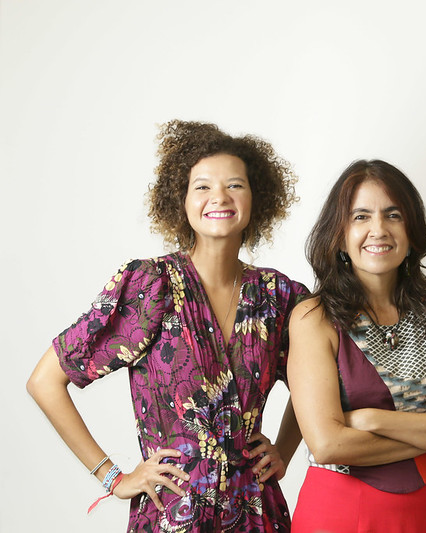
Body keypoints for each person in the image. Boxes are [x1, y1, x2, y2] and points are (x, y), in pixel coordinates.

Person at [27, 120, 308, 532]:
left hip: (255, 514)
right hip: (172, 516)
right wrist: (113, 477)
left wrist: (282, 449)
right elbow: (45, 381)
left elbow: (319, 383)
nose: (219, 197)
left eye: (235, 185)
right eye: (202, 187)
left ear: (256, 197)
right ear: (181, 200)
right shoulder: (149, 286)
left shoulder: (280, 296)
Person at [287, 159, 426, 532]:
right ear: (340, 234)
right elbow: (329, 444)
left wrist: (372, 420)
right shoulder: (313, 317)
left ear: (411, 231)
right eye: (361, 216)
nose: (378, 229)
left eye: (393, 215)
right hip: (340, 513)